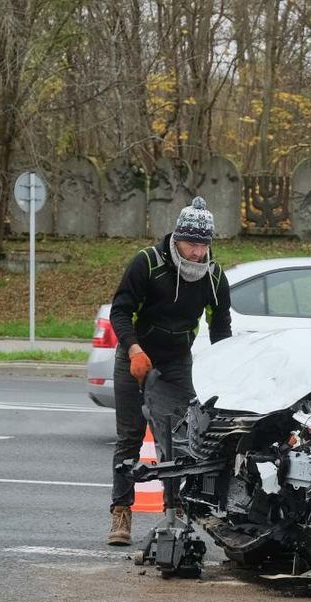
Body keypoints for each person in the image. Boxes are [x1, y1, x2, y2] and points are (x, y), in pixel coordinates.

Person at [106, 196, 232, 545]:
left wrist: (225, 369)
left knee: (175, 441)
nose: (196, 253)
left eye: (203, 246)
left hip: (177, 361)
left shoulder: (214, 276)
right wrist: (133, 350)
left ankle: (172, 513)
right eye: (191, 244)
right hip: (136, 356)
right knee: (130, 435)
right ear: (177, 239)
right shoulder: (148, 263)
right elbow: (120, 311)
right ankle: (121, 512)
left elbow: (221, 326)